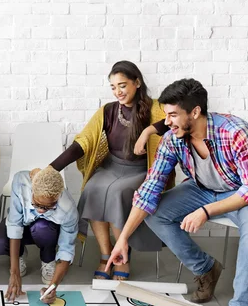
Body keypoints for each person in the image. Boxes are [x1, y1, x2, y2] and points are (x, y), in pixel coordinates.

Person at [106, 78, 248, 306]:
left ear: (195, 112)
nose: (168, 121)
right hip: (202, 188)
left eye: (174, 114)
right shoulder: (173, 138)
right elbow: (149, 191)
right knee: (155, 211)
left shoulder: (236, 132)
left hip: (243, 194)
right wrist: (122, 240)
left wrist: (206, 212)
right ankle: (206, 269)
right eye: (166, 114)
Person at [50, 60, 171, 281]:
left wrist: (147, 133)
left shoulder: (156, 108)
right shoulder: (108, 110)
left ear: (137, 82)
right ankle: (107, 255)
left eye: (122, 85)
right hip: (111, 167)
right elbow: (84, 141)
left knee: (117, 193)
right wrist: (53, 168)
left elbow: (173, 120)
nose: (118, 92)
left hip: (141, 171)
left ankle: (122, 256)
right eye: (113, 87)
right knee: (93, 188)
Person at [0, 167, 79, 303]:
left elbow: (66, 250)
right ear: (32, 190)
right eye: (36, 204)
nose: (41, 210)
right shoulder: (20, 182)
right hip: (23, 225)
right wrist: (15, 273)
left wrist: (52, 287)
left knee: (42, 227)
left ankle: (48, 259)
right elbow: (15, 224)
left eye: (48, 207)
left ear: (58, 196)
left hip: (46, 231)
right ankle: (19, 255)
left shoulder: (68, 209)